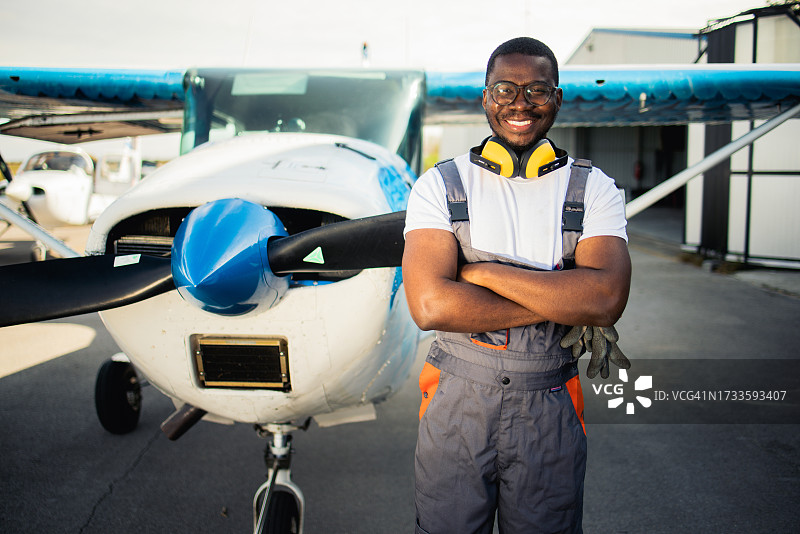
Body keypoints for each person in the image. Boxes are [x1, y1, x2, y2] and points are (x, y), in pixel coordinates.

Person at [402, 37, 631, 534]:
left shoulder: (594, 188)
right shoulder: (439, 185)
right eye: (505, 89)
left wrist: (482, 275)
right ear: (486, 97)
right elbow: (430, 305)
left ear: (558, 98)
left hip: (549, 400)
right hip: (456, 402)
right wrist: (563, 297)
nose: (520, 103)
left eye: (537, 90)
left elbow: (606, 299)